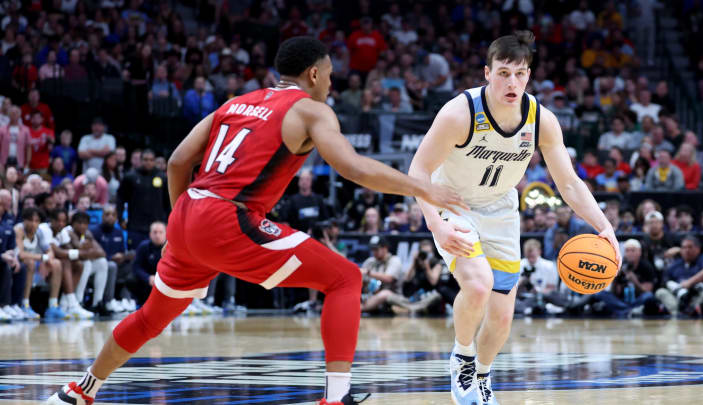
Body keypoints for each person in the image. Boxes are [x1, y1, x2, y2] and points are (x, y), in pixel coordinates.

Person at [48, 36, 463, 405]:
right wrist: (423, 188)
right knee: (345, 279)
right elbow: (352, 168)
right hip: (228, 217)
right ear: (315, 74)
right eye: (331, 76)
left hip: (188, 211)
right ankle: (336, 398)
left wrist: (182, 222)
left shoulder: (235, 103)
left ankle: (81, 390)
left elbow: (177, 160)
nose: (331, 85)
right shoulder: (311, 111)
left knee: (151, 317)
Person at [408, 31, 620, 405]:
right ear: (487, 72)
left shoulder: (541, 119)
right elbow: (418, 171)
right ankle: (461, 356)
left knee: (502, 316)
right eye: (504, 73)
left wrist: (604, 227)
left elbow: (569, 184)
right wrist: (435, 224)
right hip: (452, 203)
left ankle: (484, 376)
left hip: (501, 210)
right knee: (477, 285)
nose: (512, 82)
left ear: (529, 75)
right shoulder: (460, 113)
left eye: (520, 74)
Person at [14, 207, 65, 319]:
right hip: (18, 264)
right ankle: (25, 304)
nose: (33, 224)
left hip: (35, 265)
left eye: (36, 221)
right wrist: (42, 258)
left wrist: (47, 260)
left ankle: (53, 305)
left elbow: (50, 251)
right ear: (24, 220)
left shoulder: (39, 232)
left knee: (56, 263)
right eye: (30, 220)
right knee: (30, 263)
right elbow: (21, 254)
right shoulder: (19, 230)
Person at [117, 149, 170, 250]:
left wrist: (168, 221)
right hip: (135, 226)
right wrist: (120, 218)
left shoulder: (163, 177)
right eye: (145, 159)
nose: (148, 162)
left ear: (154, 161)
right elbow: (120, 199)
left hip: (157, 226)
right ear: (141, 161)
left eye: (151, 160)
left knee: (159, 258)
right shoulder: (130, 177)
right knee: (134, 255)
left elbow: (168, 202)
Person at [594, 239, 656, 318]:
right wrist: (615, 279)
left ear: (639, 252)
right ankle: (629, 310)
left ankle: (624, 310)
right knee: (600, 294)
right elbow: (614, 292)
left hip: (638, 300)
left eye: (633, 250)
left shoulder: (646, 266)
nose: (630, 253)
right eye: (627, 251)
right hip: (622, 300)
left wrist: (634, 281)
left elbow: (647, 291)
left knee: (649, 296)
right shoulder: (621, 265)